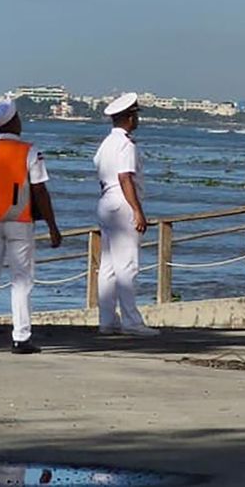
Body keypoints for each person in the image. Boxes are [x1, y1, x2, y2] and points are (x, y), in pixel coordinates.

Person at [0, 101, 62, 354]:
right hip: (20, 221)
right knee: (21, 280)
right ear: (12, 122)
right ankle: (20, 337)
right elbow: (40, 190)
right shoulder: (30, 151)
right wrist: (52, 225)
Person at [94, 92, 157, 337]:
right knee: (128, 265)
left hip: (106, 201)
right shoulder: (125, 145)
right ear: (129, 118)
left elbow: (102, 176)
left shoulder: (106, 144)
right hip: (123, 203)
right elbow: (125, 176)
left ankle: (107, 320)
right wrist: (137, 210)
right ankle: (132, 321)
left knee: (108, 266)